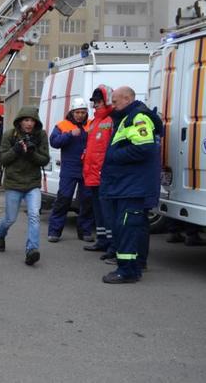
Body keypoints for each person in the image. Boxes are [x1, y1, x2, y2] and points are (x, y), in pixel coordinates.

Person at [100, 86, 162, 284]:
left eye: (116, 101)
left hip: (131, 185)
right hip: (128, 184)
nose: (113, 104)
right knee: (135, 226)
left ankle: (127, 271)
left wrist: (113, 156)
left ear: (127, 98)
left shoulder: (138, 117)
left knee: (126, 227)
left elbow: (145, 149)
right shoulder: (128, 117)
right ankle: (136, 264)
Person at [0, 106, 50, 266]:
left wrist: (32, 152)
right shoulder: (9, 135)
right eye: (26, 120)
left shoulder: (41, 135)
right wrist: (17, 150)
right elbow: (3, 159)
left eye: (32, 120)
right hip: (14, 183)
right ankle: (0, 233)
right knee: (10, 219)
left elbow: (45, 159)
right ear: (20, 121)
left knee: (34, 216)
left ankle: (31, 250)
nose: (29, 123)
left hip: (32, 184)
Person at [47, 98, 94, 243]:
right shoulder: (63, 125)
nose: (80, 115)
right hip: (69, 168)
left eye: (83, 112)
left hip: (87, 168)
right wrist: (69, 135)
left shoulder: (92, 124)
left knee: (87, 200)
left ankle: (85, 232)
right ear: (72, 112)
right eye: (77, 112)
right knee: (64, 198)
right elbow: (54, 142)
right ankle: (54, 231)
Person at [81, 86, 116, 253]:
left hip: (104, 174)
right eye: (94, 102)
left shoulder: (111, 120)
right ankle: (102, 240)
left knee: (107, 211)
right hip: (93, 174)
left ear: (106, 101)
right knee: (98, 211)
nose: (95, 105)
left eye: (98, 102)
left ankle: (111, 243)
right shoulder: (95, 122)